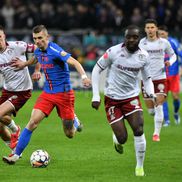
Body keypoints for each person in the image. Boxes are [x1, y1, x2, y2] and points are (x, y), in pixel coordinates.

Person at [2, 24, 91, 164]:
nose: (38, 41)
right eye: (35, 38)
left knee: (70, 134)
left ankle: (74, 118)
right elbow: (35, 58)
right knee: (32, 122)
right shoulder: (38, 51)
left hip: (64, 95)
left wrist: (84, 77)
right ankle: (15, 155)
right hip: (47, 94)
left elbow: (74, 62)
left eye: (40, 38)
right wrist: (24, 64)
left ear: (47, 37)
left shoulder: (55, 50)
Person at [91, 25, 156, 176]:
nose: (132, 40)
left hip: (131, 98)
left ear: (139, 39)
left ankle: (139, 167)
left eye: (135, 37)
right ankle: (117, 139)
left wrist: (151, 93)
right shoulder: (113, 52)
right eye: (129, 37)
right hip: (112, 100)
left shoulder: (144, 56)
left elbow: (147, 79)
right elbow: (96, 69)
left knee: (139, 129)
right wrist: (95, 95)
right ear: (124, 38)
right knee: (122, 138)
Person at [0, 25, 37, 153]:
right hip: (7, 90)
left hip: (22, 91)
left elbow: (40, 50)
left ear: (4, 36)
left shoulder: (17, 46)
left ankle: (16, 130)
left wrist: (33, 68)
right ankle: (15, 150)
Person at [139, 19, 176, 142]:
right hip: (146, 79)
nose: (150, 30)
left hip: (160, 78)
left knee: (158, 105)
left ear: (156, 29)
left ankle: (156, 134)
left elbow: (173, 55)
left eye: (152, 27)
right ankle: (157, 118)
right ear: (145, 29)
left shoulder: (163, 43)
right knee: (151, 111)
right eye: (148, 27)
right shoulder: (141, 43)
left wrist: (169, 62)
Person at [158, 25, 181, 126]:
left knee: (175, 97)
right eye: (159, 34)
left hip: (174, 74)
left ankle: (176, 112)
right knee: (163, 98)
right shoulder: (156, 44)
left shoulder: (173, 42)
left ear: (167, 34)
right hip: (162, 75)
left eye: (163, 34)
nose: (161, 36)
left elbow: (180, 55)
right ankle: (166, 120)